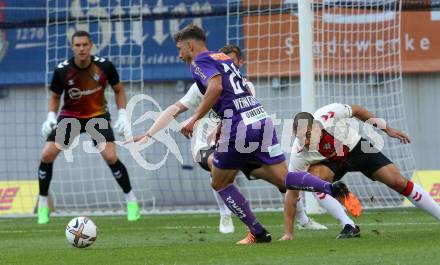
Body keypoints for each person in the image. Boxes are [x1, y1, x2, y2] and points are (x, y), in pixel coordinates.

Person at [173, 24, 359, 244]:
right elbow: (236, 90)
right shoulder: (223, 58)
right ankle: (330, 187)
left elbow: (216, 89)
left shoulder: (200, 62)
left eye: (179, 48)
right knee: (284, 178)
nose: (179, 54)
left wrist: (193, 119)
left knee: (219, 183)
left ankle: (257, 232)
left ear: (190, 44)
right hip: (260, 119)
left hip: (239, 125)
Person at [132, 44, 327, 235]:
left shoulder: (244, 85)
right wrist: (150, 133)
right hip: (206, 145)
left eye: (232, 61)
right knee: (218, 173)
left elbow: (239, 114)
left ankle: (297, 220)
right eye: (225, 60)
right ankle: (226, 214)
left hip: (239, 138)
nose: (228, 65)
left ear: (238, 64)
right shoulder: (201, 84)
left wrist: (219, 127)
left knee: (281, 181)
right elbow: (174, 109)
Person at [286, 102, 440, 238]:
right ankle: (349, 225)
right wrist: (289, 232)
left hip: (356, 148)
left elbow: (357, 110)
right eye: (300, 137)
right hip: (330, 164)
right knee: (315, 181)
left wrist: (387, 129)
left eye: (307, 135)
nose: (305, 141)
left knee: (398, 182)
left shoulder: (329, 114)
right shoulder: (298, 155)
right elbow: (292, 192)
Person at [37, 30, 140, 224]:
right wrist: (51, 116)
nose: (81, 48)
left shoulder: (105, 66)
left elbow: (119, 90)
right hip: (70, 118)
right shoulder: (62, 70)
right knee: (46, 155)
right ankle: (43, 204)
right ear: (72, 47)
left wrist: (123, 115)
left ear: (91, 45)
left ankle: (131, 201)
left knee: (110, 156)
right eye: (77, 45)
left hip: (97, 117)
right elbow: (54, 96)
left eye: (85, 44)